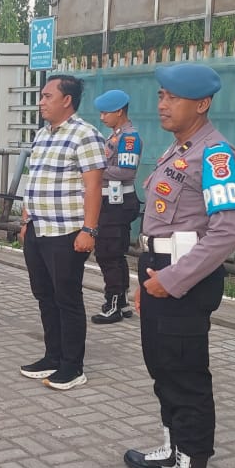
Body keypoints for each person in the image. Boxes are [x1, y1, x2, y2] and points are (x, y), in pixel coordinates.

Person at [125, 63, 235, 468]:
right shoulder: (179, 148)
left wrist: (171, 280)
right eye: (161, 95)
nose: (163, 104)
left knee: (186, 378)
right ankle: (174, 450)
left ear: (202, 104)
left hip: (184, 279)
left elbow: (228, 231)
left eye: (173, 97)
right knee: (163, 369)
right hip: (159, 270)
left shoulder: (215, 155)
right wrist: (148, 280)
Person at [19, 74, 106, 390]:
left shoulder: (85, 135)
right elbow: (34, 180)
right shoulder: (42, 135)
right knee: (44, 295)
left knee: (67, 298)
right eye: (41, 96)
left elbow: (93, 186)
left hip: (66, 231)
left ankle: (72, 366)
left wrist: (89, 230)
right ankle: (52, 356)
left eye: (47, 96)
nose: (41, 102)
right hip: (38, 229)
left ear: (67, 100)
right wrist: (26, 221)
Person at [91, 89, 142, 324]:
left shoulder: (129, 138)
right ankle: (121, 302)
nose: (102, 117)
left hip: (117, 203)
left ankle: (112, 304)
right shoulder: (115, 136)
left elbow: (125, 172)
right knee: (114, 253)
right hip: (111, 202)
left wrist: (95, 170)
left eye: (106, 112)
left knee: (108, 253)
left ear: (119, 111)